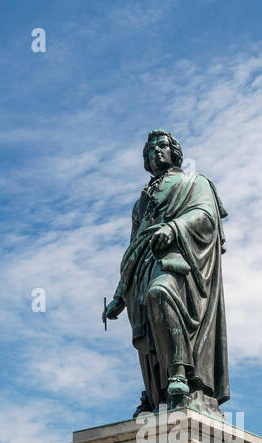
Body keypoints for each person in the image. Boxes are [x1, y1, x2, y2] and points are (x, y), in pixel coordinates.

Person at [102, 129, 230, 415]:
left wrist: (174, 228)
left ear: (175, 151)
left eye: (162, 146)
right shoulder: (141, 203)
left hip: (178, 261)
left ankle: (179, 375)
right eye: (150, 149)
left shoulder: (194, 183)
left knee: (161, 293)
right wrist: (120, 295)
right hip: (142, 266)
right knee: (148, 329)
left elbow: (206, 216)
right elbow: (133, 247)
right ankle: (156, 393)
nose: (156, 151)